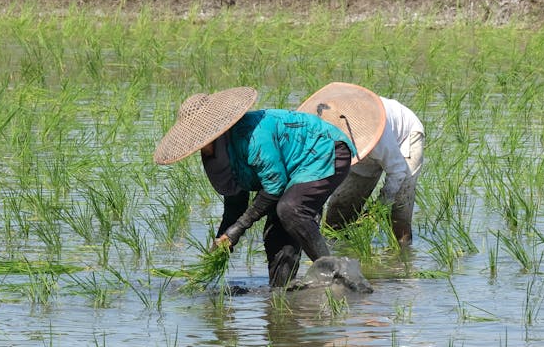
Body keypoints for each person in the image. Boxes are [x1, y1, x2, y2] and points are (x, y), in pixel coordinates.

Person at [153, 87, 357, 287]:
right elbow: (235, 202)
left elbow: (275, 186)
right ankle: (281, 291)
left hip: (323, 149)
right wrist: (223, 239)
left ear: (214, 132)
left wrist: (239, 228)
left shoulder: (252, 136)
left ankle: (340, 277)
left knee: (290, 210)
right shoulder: (219, 155)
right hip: (291, 170)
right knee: (275, 232)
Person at [307, 83, 425, 246]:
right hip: (360, 144)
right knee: (339, 211)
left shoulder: (378, 138)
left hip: (405, 136)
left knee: (399, 208)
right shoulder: (325, 130)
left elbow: (398, 171)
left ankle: (401, 260)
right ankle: (336, 252)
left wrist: (378, 208)